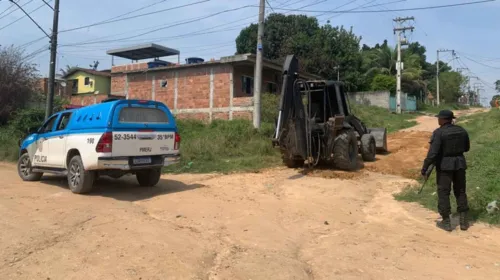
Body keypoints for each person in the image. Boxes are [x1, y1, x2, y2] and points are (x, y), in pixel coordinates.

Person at [421, 110, 470, 232]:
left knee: (443, 192)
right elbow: (467, 148)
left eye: (439, 118)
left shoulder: (439, 133)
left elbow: (432, 153)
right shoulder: (462, 130)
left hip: (444, 166)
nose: (438, 120)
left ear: (443, 119)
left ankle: (446, 222)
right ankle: (464, 222)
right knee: (460, 191)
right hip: (459, 164)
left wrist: (425, 167)